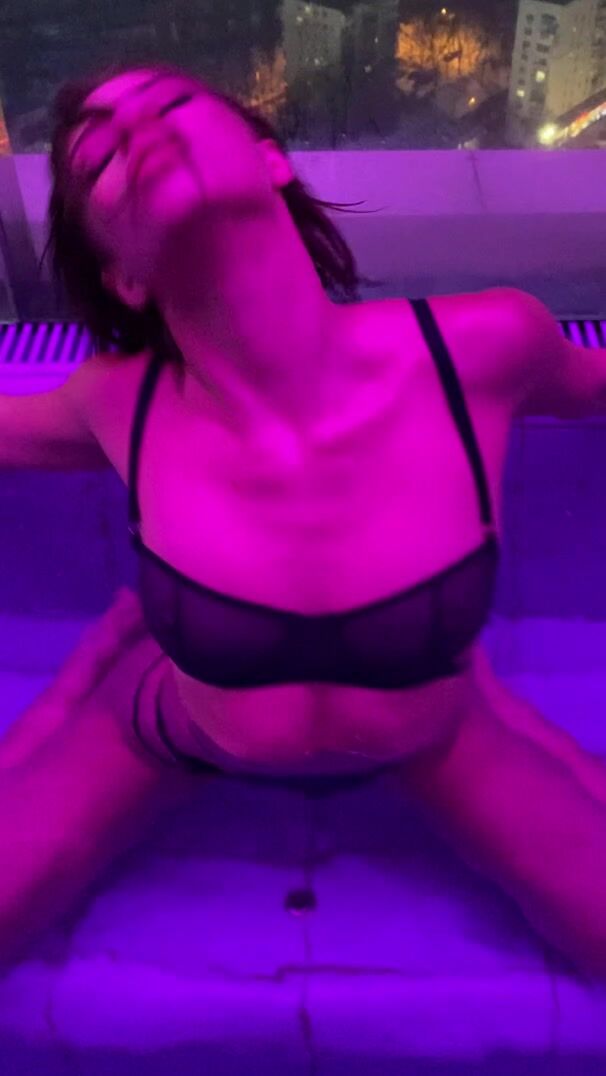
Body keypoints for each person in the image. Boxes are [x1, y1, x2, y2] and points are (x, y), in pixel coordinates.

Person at [1, 59, 606, 977]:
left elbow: (595, 386)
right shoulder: (114, 402)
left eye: (169, 104)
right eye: (100, 160)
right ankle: (105, 662)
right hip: (178, 721)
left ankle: (130, 639)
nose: (138, 132)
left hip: (432, 728)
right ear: (122, 277)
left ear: (270, 160)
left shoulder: (484, 348)